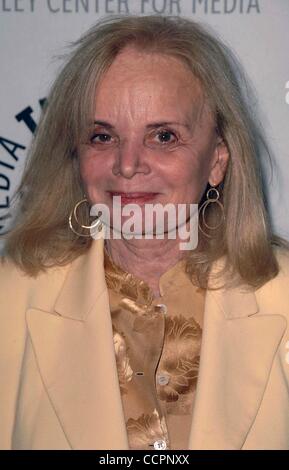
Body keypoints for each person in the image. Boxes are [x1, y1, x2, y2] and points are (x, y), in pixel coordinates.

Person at [1, 14, 289, 451]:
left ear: (217, 159)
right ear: (76, 155)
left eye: (164, 135)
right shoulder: (11, 296)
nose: (128, 164)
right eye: (102, 136)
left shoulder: (283, 294)